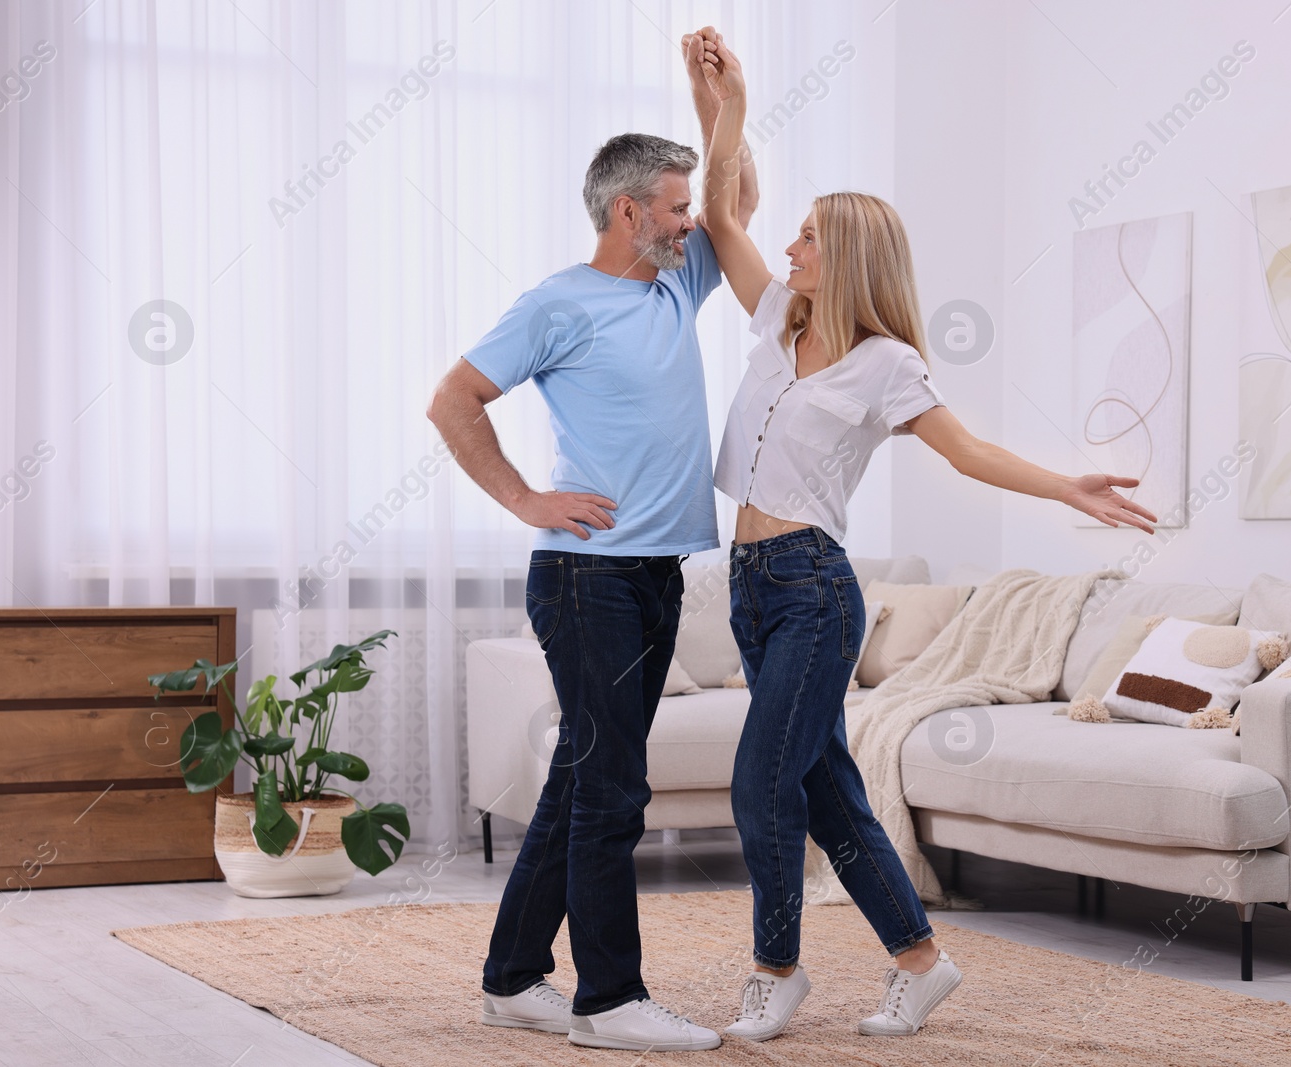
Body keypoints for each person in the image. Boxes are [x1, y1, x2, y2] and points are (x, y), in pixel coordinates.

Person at [690, 30, 1158, 1042]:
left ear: (847, 253)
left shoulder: (886, 362)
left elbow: (967, 451)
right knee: (825, 791)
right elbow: (722, 211)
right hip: (750, 587)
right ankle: (921, 960)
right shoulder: (776, 320)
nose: (790, 247)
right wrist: (721, 101)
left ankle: (776, 968)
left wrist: (1068, 486)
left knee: (759, 780)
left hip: (814, 589)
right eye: (797, 232)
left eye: (809, 236)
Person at [426, 32, 759, 1052]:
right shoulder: (556, 303)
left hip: (657, 573)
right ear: (628, 211)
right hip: (585, 577)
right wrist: (527, 497)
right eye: (673, 205)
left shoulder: (674, 281)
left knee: (584, 774)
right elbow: (453, 400)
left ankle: (511, 975)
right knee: (613, 785)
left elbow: (736, 200)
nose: (690, 221)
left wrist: (722, 102)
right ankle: (608, 1000)